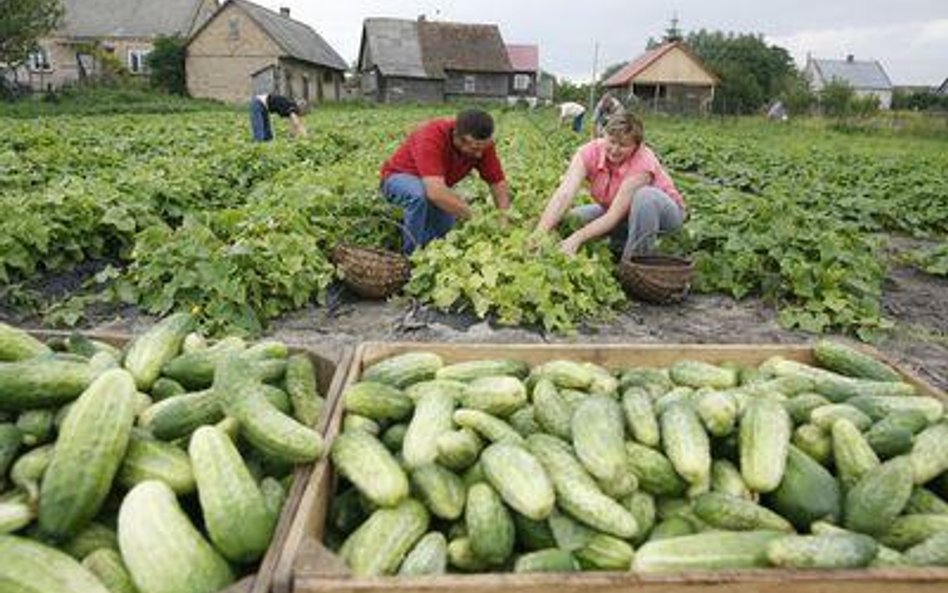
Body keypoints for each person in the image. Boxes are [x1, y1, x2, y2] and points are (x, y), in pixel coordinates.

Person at [534, 111, 686, 260]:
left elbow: (613, 216)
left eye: (623, 145)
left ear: (636, 146)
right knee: (574, 218)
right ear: (603, 135)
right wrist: (539, 235)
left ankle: (635, 263)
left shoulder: (642, 162)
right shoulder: (589, 152)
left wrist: (576, 239)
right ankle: (620, 242)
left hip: (663, 219)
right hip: (621, 213)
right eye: (612, 141)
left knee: (645, 197)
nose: (615, 150)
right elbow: (564, 194)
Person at [380, 109, 511, 254]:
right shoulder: (431, 134)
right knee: (419, 195)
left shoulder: (482, 145)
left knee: (444, 229)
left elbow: (497, 182)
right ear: (457, 137)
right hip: (397, 179)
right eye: (475, 149)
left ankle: (428, 253)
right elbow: (436, 193)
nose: (479, 155)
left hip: (432, 184)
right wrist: (475, 216)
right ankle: (410, 257)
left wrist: (504, 216)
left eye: (483, 148)